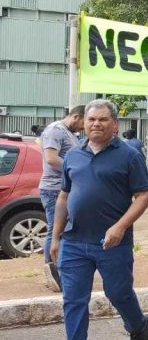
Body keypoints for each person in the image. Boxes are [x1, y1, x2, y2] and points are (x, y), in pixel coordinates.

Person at [46, 99, 148, 340]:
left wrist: (120, 226)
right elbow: (64, 197)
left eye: (103, 120)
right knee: (73, 300)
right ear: (84, 121)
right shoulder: (73, 155)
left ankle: (138, 325)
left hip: (112, 243)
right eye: (91, 119)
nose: (95, 124)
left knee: (118, 293)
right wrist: (55, 237)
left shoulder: (129, 156)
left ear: (114, 124)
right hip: (74, 241)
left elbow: (143, 196)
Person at [37, 105, 85, 292]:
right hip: (54, 189)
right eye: (83, 122)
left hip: (64, 188)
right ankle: (53, 271)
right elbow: (51, 159)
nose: (83, 127)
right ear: (76, 116)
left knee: (63, 231)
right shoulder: (55, 131)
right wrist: (78, 170)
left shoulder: (68, 133)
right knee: (54, 231)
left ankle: (61, 270)